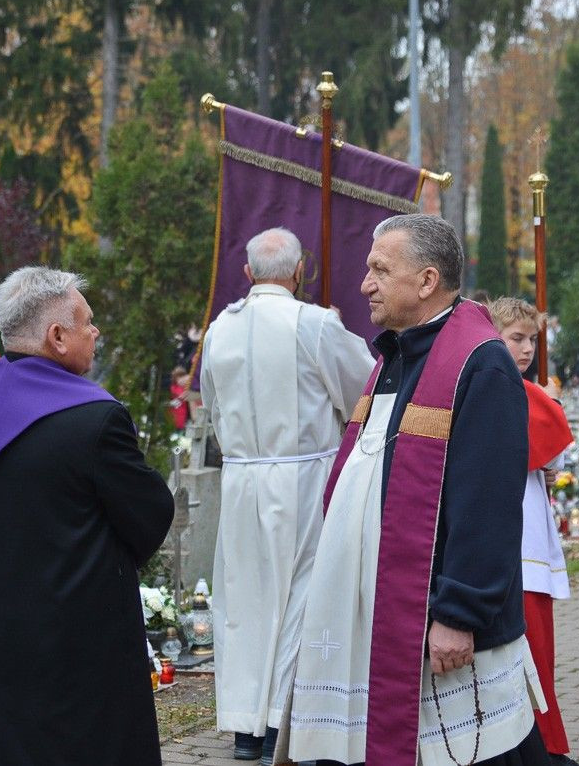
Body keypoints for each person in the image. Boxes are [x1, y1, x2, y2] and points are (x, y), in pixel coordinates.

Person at [283, 214, 550, 766]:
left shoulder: (481, 363)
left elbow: (487, 504)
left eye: (380, 269)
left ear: (427, 281)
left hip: (442, 624)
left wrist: (459, 612)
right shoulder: (395, 356)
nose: (365, 284)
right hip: (384, 616)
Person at [0, 267, 174, 766]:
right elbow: (149, 515)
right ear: (56, 337)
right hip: (71, 645)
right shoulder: (96, 418)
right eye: (87, 321)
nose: (95, 332)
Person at [200, 227, 374, 763]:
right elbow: (364, 387)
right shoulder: (315, 324)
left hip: (243, 478)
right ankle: (282, 720)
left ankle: (245, 727)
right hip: (304, 476)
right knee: (300, 593)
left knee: (244, 597)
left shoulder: (218, 331)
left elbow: (210, 399)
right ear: (300, 272)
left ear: (247, 273)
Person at [489, 297, 577, 766]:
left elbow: (551, 459)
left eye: (532, 340)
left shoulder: (531, 393)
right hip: (510, 537)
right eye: (516, 338)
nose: (526, 350)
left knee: (538, 651)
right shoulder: (505, 391)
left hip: (529, 536)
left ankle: (544, 744)